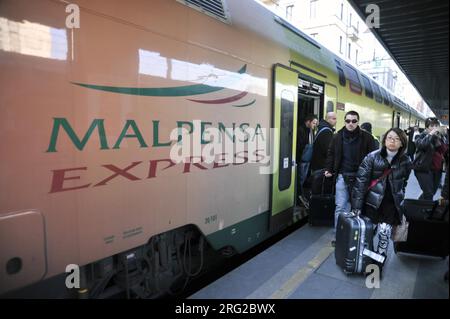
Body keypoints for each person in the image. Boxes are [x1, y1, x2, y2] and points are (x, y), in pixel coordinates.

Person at [351, 128, 411, 275]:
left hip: (390, 206)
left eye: (397, 139)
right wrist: (356, 207)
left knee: (384, 236)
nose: (392, 141)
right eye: (390, 138)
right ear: (384, 140)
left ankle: (376, 266)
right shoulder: (372, 157)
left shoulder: (405, 161)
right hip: (371, 204)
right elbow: (360, 183)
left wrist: (399, 197)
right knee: (368, 235)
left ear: (402, 143)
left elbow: (404, 181)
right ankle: (364, 260)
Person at [324, 111, 377, 244]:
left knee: (358, 208)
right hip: (342, 176)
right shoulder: (337, 137)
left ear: (358, 122)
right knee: (340, 208)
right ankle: (338, 236)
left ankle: (357, 236)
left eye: (354, 121)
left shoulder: (367, 138)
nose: (350, 124)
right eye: (348, 121)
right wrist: (329, 169)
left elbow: (373, 157)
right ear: (344, 121)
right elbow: (331, 153)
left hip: (360, 179)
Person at [413, 117, 449, 200]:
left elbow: (444, 151)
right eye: (432, 126)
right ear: (426, 128)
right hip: (423, 169)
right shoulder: (420, 135)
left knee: (432, 192)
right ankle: (425, 211)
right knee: (428, 193)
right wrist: (430, 135)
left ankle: (419, 205)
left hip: (437, 169)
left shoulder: (439, 137)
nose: (434, 128)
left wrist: (441, 137)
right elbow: (422, 145)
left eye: (436, 126)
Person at [296, 114, 318, 208]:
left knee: (303, 179)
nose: (314, 125)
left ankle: (302, 197)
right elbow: (300, 146)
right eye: (313, 123)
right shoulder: (300, 130)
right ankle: (299, 199)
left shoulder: (311, 131)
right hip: (302, 159)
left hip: (306, 159)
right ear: (308, 122)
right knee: (301, 179)